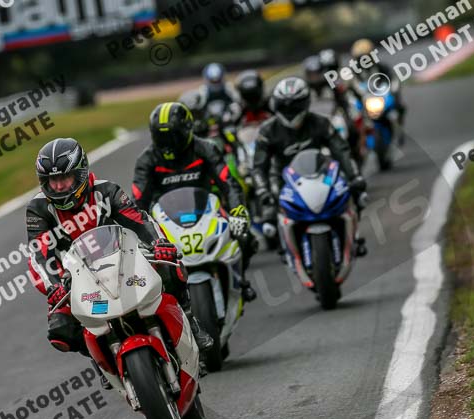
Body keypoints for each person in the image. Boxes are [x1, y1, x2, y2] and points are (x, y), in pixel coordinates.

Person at [26, 137, 214, 385]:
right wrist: (53, 286)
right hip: (74, 276)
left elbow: (138, 218)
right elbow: (38, 252)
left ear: (81, 173)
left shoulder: (106, 190)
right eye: (52, 181)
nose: (59, 186)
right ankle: (100, 358)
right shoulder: (38, 209)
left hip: (122, 258)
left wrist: (159, 243)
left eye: (65, 178)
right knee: (61, 329)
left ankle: (190, 320)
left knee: (171, 268)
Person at [132, 102, 257, 301]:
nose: (168, 143)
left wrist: (237, 210)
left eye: (173, 136)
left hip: (207, 208)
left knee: (246, 236)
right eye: (161, 137)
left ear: (188, 129)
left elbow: (229, 183)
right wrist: (140, 233)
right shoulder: (146, 160)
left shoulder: (206, 148)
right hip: (164, 217)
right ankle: (166, 294)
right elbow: (138, 201)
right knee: (146, 256)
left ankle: (240, 281)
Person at [251, 77, 368, 256]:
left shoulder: (321, 123)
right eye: (284, 106)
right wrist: (262, 191)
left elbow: (342, 151)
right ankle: (284, 243)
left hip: (319, 173)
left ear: (305, 104)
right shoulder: (267, 131)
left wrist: (355, 176)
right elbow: (259, 166)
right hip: (282, 178)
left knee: (353, 192)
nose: (290, 111)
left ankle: (355, 236)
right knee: (269, 212)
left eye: (295, 106)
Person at [350, 38, 406, 145]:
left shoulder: (381, 68)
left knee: (398, 107)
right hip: (363, 99)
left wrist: (393, 90)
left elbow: (394, 80)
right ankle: (356, 141)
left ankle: (399, 130)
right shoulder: (352, 72)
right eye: (360, 58)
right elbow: (348, 85)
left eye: (365, 57)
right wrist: (352, 93)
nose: (363, 60)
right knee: (351, 116)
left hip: (380, 97)